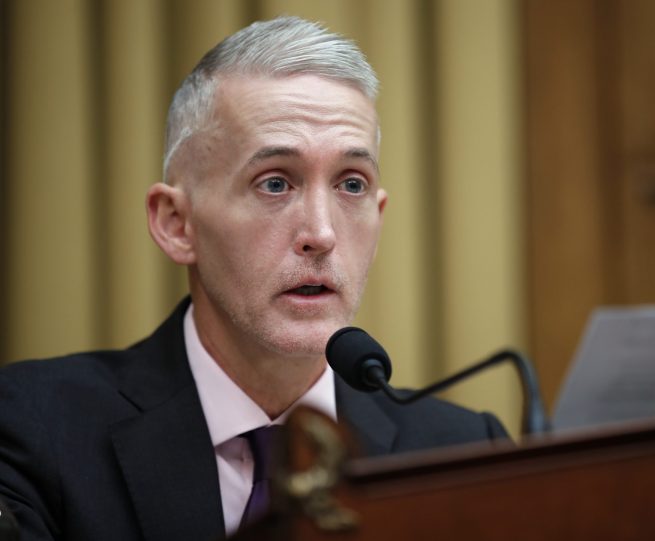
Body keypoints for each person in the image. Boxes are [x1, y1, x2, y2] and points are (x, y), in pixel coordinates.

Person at [0, 16, 507, 541]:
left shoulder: (465, 452)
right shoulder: (35, 430)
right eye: (274, 183)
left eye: (351, 184)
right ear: (177, 224)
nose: (321, 232)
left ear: (379, 217)